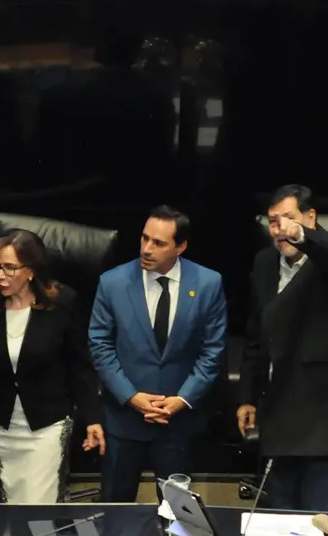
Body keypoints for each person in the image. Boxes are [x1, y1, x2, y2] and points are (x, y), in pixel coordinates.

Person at [237, 185, 328, 511]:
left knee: (319, 526)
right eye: (273, 221)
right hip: (278, 412)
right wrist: (247, 396)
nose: (280, 229)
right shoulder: (265, 262)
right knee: (277, 525)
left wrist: (301, 235)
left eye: (289, 218)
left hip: (323, 420)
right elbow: (256, 335)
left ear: (310, 218)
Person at [88, 206, 227, 503]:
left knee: (178, 513)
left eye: (159, 243)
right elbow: (100, 345)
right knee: (115, 510)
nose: (147, 249)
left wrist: (182, 399)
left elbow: (212, 350)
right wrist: (132, 396)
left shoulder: (207, 283)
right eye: (145, 238)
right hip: (125, 419)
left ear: (181, 246)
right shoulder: (112, 283)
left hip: (177, 422)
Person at [0, 231, 104, 504]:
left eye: (10, 267)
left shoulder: (61, 303)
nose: (0, 274)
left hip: (47, 425)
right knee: (7, 509)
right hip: (1, 425)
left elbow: (80, 365)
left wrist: (92, 418)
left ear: (30, 271)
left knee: (38, 508)